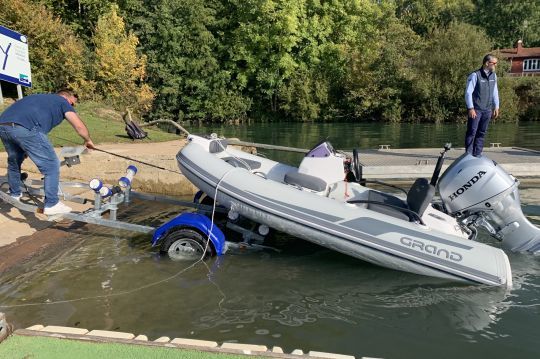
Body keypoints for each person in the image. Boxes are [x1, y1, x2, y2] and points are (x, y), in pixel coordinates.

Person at [0, 89, 95, 215]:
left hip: (3, 126)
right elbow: (79, 126)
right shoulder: (62, 101)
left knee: (14, 161)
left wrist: (26, 146)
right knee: (51, 165)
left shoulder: (39, 98)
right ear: (66, 97)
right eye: (72, 104)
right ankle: (52, 203)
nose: (72, 107)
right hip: (27, 128)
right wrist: (88, 140)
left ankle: (15, 194)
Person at [464, 54, 499, 157]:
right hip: (476, 109)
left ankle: (477, 154)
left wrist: (496, 106)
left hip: (487, 110)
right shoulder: (475, 75)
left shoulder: (494, 75)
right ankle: (468, 155)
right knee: (472, 132)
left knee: (481, 133)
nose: (495, 66)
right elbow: (468, 93)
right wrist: (470, 108)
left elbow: (495, 92)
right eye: (494, 63)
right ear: (487, 63)